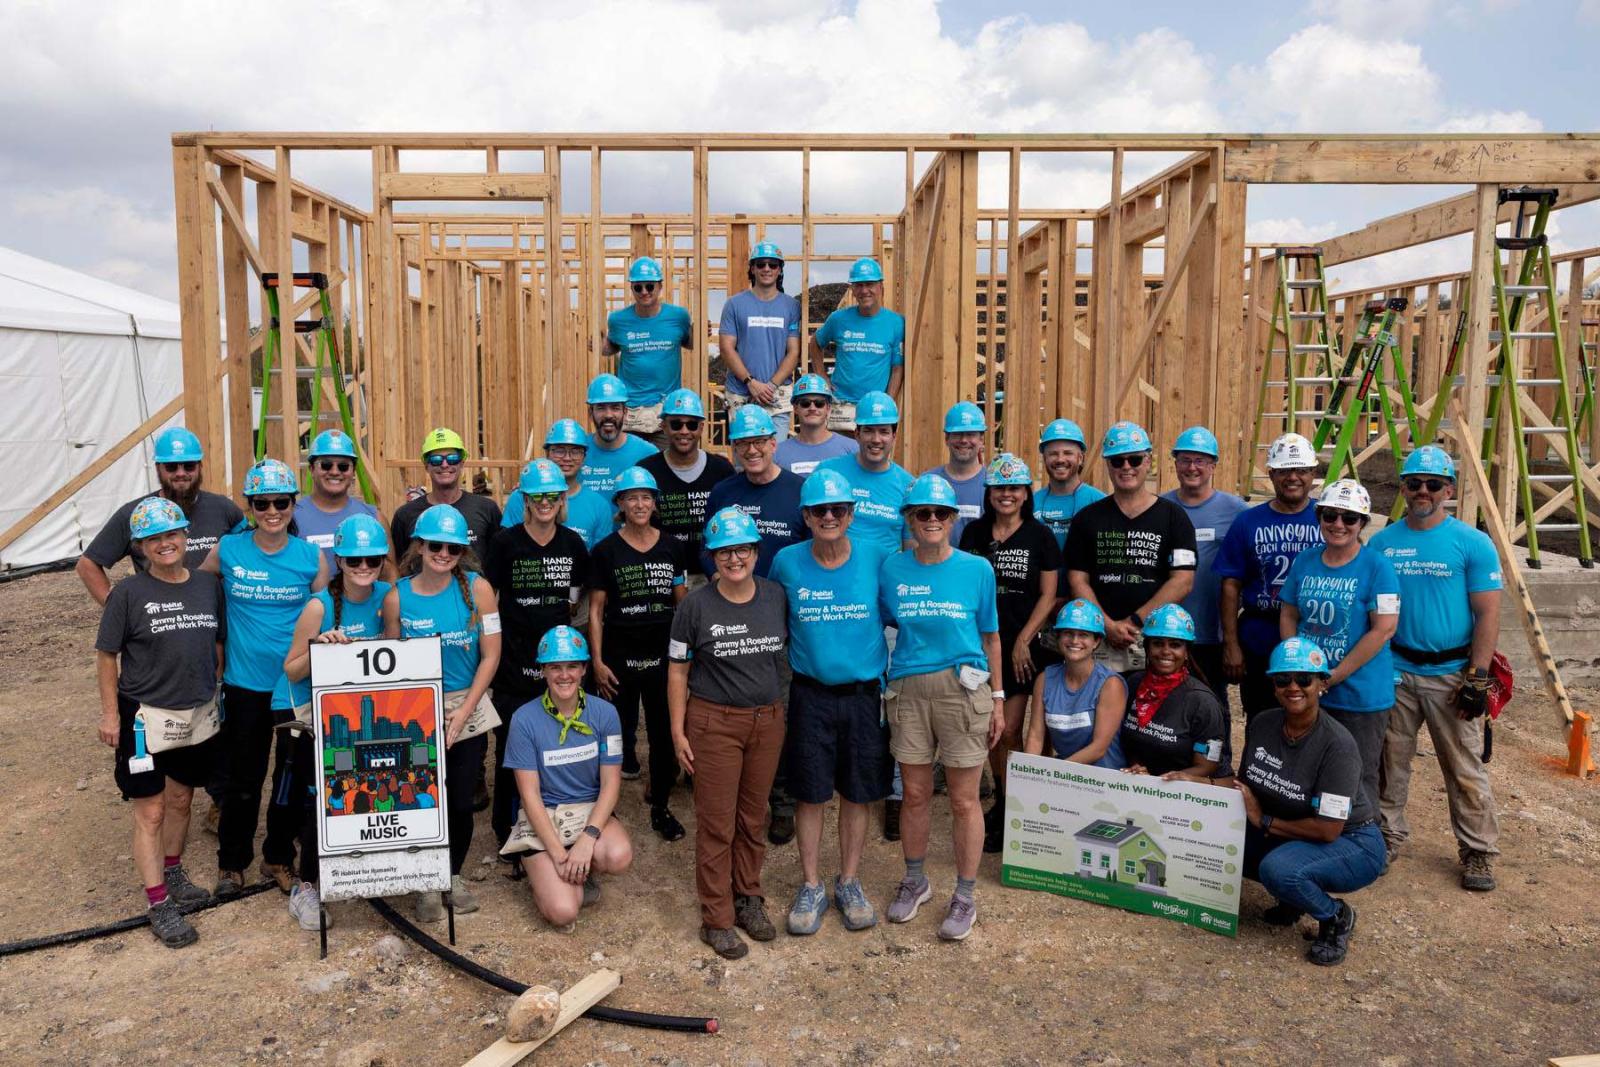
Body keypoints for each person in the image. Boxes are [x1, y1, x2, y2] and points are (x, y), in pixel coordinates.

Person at [1371, 446, 1503, 891]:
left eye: (1432, 484)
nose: (1422, 491)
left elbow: (1488, 613)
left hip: (1450, 672)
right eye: (1413, 483)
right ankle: (1386, 837)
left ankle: (1478, 851)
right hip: (1395, 667)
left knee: (1464, 766)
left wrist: (1478, 676)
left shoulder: (1472, 543)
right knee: (1390, 761)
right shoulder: (1382, 543)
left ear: (1448, 489)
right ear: (1403, 489)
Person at [94, 497, 224, 948]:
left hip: (195, 713)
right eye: (153, 538)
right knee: (150, 809)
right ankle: (158, 902)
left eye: (171, 534)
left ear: (185, 536)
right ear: (140, 547)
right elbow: (106, 655)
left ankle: (173, 870)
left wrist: (219, 690)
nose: (165, 544)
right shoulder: (128, 595)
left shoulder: (208, 586)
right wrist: (111, 714)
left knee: (182, 799)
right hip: (144, 718)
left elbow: (218, 644)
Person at [879, 474, 1002, 942]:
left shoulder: (976, 570)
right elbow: (888, 622)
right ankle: (916, 880)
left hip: (962, 690)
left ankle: (965, 894)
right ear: (909, 519)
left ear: (953, 519)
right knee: (913, 793)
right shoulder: (892, 568)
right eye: (922, 513)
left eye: (940, 514)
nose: (931, 521)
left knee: (964, 798)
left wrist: (997, 698)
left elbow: (991, 636)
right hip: (909, 688)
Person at [768, 469, 891, 936]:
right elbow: (774, 621)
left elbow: (900, 613)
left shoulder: (876, 558)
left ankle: (850, 880)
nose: (829, 517)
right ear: (805, 516)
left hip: (862, 695)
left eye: (838, 509)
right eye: (819, 510)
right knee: (811, 791)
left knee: (857, 790)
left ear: (852, 514)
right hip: (810, 694)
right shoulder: (786, 562)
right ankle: (812, 884)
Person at [199, 458, 328, 896]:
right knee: (243, 778)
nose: (272, 511)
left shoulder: (311, 557)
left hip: (293, 686)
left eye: (281, 502)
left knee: (290, 778)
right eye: (261, 503)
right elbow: (194, 588)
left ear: (294, 503)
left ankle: (277, 857)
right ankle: (232, 863)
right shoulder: (229, 549)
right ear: (250, 506)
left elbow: (327, 610)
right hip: (245, 685)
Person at [669, 508, 790, 961]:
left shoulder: (775, 596)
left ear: (756, 552)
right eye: (723, 551)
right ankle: (716, 917)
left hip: (766, 721)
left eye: (741, 549)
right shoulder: (695, 606)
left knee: (752, 818)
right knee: (717, 823)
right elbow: (677, 671)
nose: (733, 558)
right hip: (713, 723)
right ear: (712, 557)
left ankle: (749, 898)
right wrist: (678, 730)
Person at [383, 503, 501, 920]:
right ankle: (425, 880)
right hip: (415, 711)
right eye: (436, 545)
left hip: (464, 705)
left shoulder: (479, 589)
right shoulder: (398, 596)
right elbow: (392, 661)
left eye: (453, 548)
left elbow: (491, 656)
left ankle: (451, 873)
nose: (444, 554)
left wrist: (464, 711)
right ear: (419, 546)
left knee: (461, 799)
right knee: (421, 801)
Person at [1236, 637, 1385, 967]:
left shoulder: (1338, 745)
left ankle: (1335, 917)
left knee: (1279, 869)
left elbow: (1329, 829)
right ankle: (1292, 898)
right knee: (1222, 839)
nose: (1294, 687)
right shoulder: (1262, 724)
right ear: (1273, 686)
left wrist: (1265, 822)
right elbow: (1246, 784)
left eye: (1304, 679)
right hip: (1294, 828)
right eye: (1283, 679)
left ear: (1322, 685)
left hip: (1352, 841)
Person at [278, 514, 393, 931]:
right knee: (316, 800)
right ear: (339, 561)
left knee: (359, 792)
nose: (363, 568)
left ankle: (364, 870)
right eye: (354, 561)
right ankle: (305, 886)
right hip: (312, 715)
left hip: (359, 714)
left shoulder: (388, 596)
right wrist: (320, 648)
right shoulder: (319, 605)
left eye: (372, 560)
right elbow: (291, 669)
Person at [483, 459, 591, 856]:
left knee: (554, 749)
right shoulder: (505, 543)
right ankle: (507, 831)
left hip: (558, 669)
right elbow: (489, 601)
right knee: (512, 749)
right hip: (513, 665)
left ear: (562, 499)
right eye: (536, 496)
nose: (544, 503)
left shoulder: (573, 545)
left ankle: (550, 827)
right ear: (525, 500)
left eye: (552, 496)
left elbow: (575, 601)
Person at [957, 453, 1061, 853]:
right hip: (980, 642)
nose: (1006, 494)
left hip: (1022, 646)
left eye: (1014, 488)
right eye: (999, 487)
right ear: (989, 492)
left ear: (1025, 493)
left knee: (1011, 728)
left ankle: (1012, 806)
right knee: (988, 731)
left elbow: (1049, 594)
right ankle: (1002, 800)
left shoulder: (1040, 537)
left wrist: (1023, 639)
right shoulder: (973, 534)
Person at [502, 626, 634, 931]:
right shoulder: (524, 719)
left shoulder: (605, 714)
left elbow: (611, 784)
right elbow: (529, 795)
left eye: (572, 666)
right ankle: (542, 873)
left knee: (619, 856)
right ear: (543, 672)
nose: (564, 675)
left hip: (586, 809)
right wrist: (559, 854)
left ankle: (580, 867)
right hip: (544, 815)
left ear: (585, 669)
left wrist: (587, 840)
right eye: (555, 667)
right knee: (564, 911)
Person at [1279, 479, 1399, 816]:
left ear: (1362, 523)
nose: (1338, 525)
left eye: (1350, 518)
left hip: (1360, 694)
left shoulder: (1377, 567)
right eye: (1330, 515)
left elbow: (1384, 629)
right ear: (1319, 517)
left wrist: (1332, 675)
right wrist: (1297, 665)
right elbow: (1289, 611)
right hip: (1309, 688)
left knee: (1358, 773)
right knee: (1306, 768)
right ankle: (1312, 836)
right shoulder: (1305, 561)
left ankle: (1362, 841)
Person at [589, 466, 692, 839]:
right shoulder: (605, 551)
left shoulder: (672, 546)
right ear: (620, 504)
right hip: (619, 656)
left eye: (646, 497)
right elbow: (597, 611)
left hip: (662, 655)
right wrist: (597, 662)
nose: (639, 504)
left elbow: (681, 605)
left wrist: (687, 654)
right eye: (631, 497)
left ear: (655, 502)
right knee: (615, 732)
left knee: (665, 733)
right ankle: (606, 809)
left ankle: (661, 805)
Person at [1065, 422, 1196, 672]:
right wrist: (1106, 625)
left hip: (1154, 639)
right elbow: (1077, 580)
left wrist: (1135, 621)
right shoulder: (1087, 519)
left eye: (1134, 460)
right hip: (1100, 638)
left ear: (1148, 462)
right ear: (1108, 465)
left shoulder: (1173, 517)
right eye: (1117, 461)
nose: (1126, 467)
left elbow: (1183, 580)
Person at [1215, 432, 1323, 722]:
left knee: (1311, 721)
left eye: (1301, 470)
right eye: (1285, 470)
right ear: (1272, 474)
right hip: (1259, 635)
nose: (1293, 477)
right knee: (1261, 718)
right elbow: (1230, 585)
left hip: (1315, 634)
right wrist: (1231, 644)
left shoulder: (1330, 519)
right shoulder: (1248, 522)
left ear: (1313, 473)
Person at [78, 426, 243, 605]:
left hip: (213, 619)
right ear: (158, 468)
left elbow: (251, 549)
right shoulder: (137, 513)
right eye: (171, 467)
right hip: (160, 622)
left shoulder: (223, 508)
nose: (181, 473)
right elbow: (87, 564)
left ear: (200, 466)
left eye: (189, 465)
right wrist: (117, 610)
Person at [1160, 426, 1246, 708]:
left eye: (1200, 460)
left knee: (1212, 706)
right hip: (1166, 630)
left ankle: (1218, 754)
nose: (1192, 467)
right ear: (1175, 463)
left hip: (1211, 632)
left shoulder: (1236, 512)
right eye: (1185, 460)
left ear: (1213, 465)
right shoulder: (1160, 508)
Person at [1118, 604, 1229, 783]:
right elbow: (1129, 742)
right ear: (1147, 647)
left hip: (1177, 793)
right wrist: (1136, 765)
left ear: (1186, 653)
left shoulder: (1202, 702)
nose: (1166, 651)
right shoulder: (1133, 684)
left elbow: (1208, 764)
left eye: (1175, 645)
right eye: (1158, 643)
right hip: (1135, 784)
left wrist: (1166, 780)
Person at [639, 388, 735, 583]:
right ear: (664, 426)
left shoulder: (721, 470)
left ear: (701, 427)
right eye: (676, 424)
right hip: (661, 576)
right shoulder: (646, 472)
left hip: (711, 575)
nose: (684, 431)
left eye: (691, 425)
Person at [702, 406, 807, 579]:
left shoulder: (800, 491)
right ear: (735, 448)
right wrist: (719, 581)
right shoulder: (722, 492)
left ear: (773, 444)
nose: (751, 450)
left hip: (786, 597)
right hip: (734, 599)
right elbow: (705, 547)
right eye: (743, 443)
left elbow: (813, 549)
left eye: (759, 441)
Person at [1024, 599, 1127, 769]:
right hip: (1065, 776)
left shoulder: (1110, 684)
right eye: (1068, 633)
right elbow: (1035, 736)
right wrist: (1028, 771)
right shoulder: (1045, 679)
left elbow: (1098, 748)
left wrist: (1055, 773)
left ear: (1096, 641)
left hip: (1103, 780)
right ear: (1059, 637)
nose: (1074, 640)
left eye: (1083, 635)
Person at [809, 257, 904, 432]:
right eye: (858, 285)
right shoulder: (838, 319)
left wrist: (887, 402)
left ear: (880, 287)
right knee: (840, 455)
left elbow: (897, 368)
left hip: (874, 408)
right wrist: (821, 375)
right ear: (852, 289)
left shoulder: (896, 323)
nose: (864, 290)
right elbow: (815, 343)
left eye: (869, 284)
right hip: (840, 404)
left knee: (872, 456)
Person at [605, 257, 694, 443]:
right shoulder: (618, 320)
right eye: (638, 287)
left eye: (650, 286)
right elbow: (609, 348)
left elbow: (691, 343)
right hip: (630, 412)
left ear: (659, 286)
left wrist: (702, 331)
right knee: (631, 467)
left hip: (664, 409)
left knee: (665, 466)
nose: (644, 292)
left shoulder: (678, 317)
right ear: (632, 288)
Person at [720, 241, 802, 440]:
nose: (767, 269)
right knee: (744, 461)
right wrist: (750, 382)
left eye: (773, 265)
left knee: (776, 458)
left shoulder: (791, 306)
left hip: (776, 395)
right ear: (752, 268)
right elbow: (726, 348)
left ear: (780, 270)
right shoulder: (734, 304)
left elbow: (793, 351)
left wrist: (771, 385)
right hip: (741, 393)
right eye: (761, 264)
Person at [817, 391, 914, 556]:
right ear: (857, 434)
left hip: (883, 578)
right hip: (835, 575)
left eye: (883, 431)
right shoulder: (828, 473)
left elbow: (911, 551)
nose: (876, 439)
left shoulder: (908, 486)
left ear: (894, 436)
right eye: (869, 430)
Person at [502, 419, 614, 548]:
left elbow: (600, 559)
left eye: (575, 451)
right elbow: (507, 550)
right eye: (559, 451)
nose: (567, 458)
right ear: (547, 453)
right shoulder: (520, 498)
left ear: (584, 457)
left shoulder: (598, 505)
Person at [390, 427, 502, 551]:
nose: (445, 465)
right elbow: (398, 566)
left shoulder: (487, 509)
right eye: (436, 460)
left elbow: (500, 562)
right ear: (427, 466)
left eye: (452, 459)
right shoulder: (405, 516)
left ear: (461, 464)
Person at [294, 429, 381, 571]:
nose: (335, 472)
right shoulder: (290, 517)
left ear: (353, 471)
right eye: (326, 465)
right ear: (311, 469)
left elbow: (389, 572)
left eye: (343, 466)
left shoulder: (373, 517)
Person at [1032, 418, 1105, 551]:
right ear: (1044, 458)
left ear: (1080, 458)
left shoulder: (1100, 502)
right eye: (1053, 454)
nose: (1060, 459)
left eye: (1068, 453)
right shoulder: (1031, 503)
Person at [580, 374, 659, 495]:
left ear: (625, 412)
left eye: (615, 407)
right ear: (591, 413)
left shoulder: (647, 454)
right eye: (601, 408)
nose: (608, 415)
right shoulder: (577, 453)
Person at [922, 401, 988, 544]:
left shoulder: (992, 486)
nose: (964, 440)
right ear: (947, 438)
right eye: (957, 434)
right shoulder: (927, 482)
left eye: (970, 434)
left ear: (981, 439)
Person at [774, 374, 858, 475]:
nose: (812, 408)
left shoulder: (853, 449)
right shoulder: (777, 453)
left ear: (828, 408)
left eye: (819, 403)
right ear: (795, 408)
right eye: (805, 403)